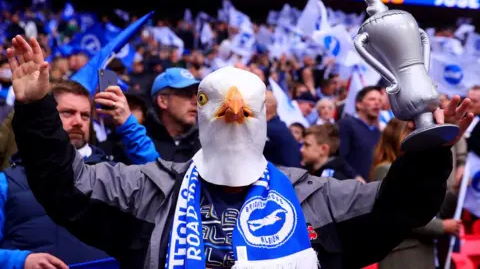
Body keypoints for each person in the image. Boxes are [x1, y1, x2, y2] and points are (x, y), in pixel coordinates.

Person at [7, 36, 474, 269]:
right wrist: (34, 109)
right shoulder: (151, 190)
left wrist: (428, 151)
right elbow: (66, 186)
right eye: (218, 101)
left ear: (264, 116)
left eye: (247, 104)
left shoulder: (312, 197)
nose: (234, 109)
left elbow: (397, 209)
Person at [0, 80, 111, 269]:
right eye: (68, 113)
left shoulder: (113, 174)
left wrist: (128, 125)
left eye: (85, 115)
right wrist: (19, 261)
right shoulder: (7, 182)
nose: (78, 122)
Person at [371, 119, 461, 269]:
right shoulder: (385, 169)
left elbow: (432, 210)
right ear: (397, 136)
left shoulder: (418, 171)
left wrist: (456, 191)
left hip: (424, 253)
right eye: (411, 132)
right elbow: (400, 214)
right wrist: (442, 227)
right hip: (403, 256)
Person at [338, 86, 382, 181]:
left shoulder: (379, 132)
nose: (377, 103)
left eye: (380, 100)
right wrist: (355, 176)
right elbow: (340, 157)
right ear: (359, 104)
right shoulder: (347, 124)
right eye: (372, 99)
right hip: (352, 187)